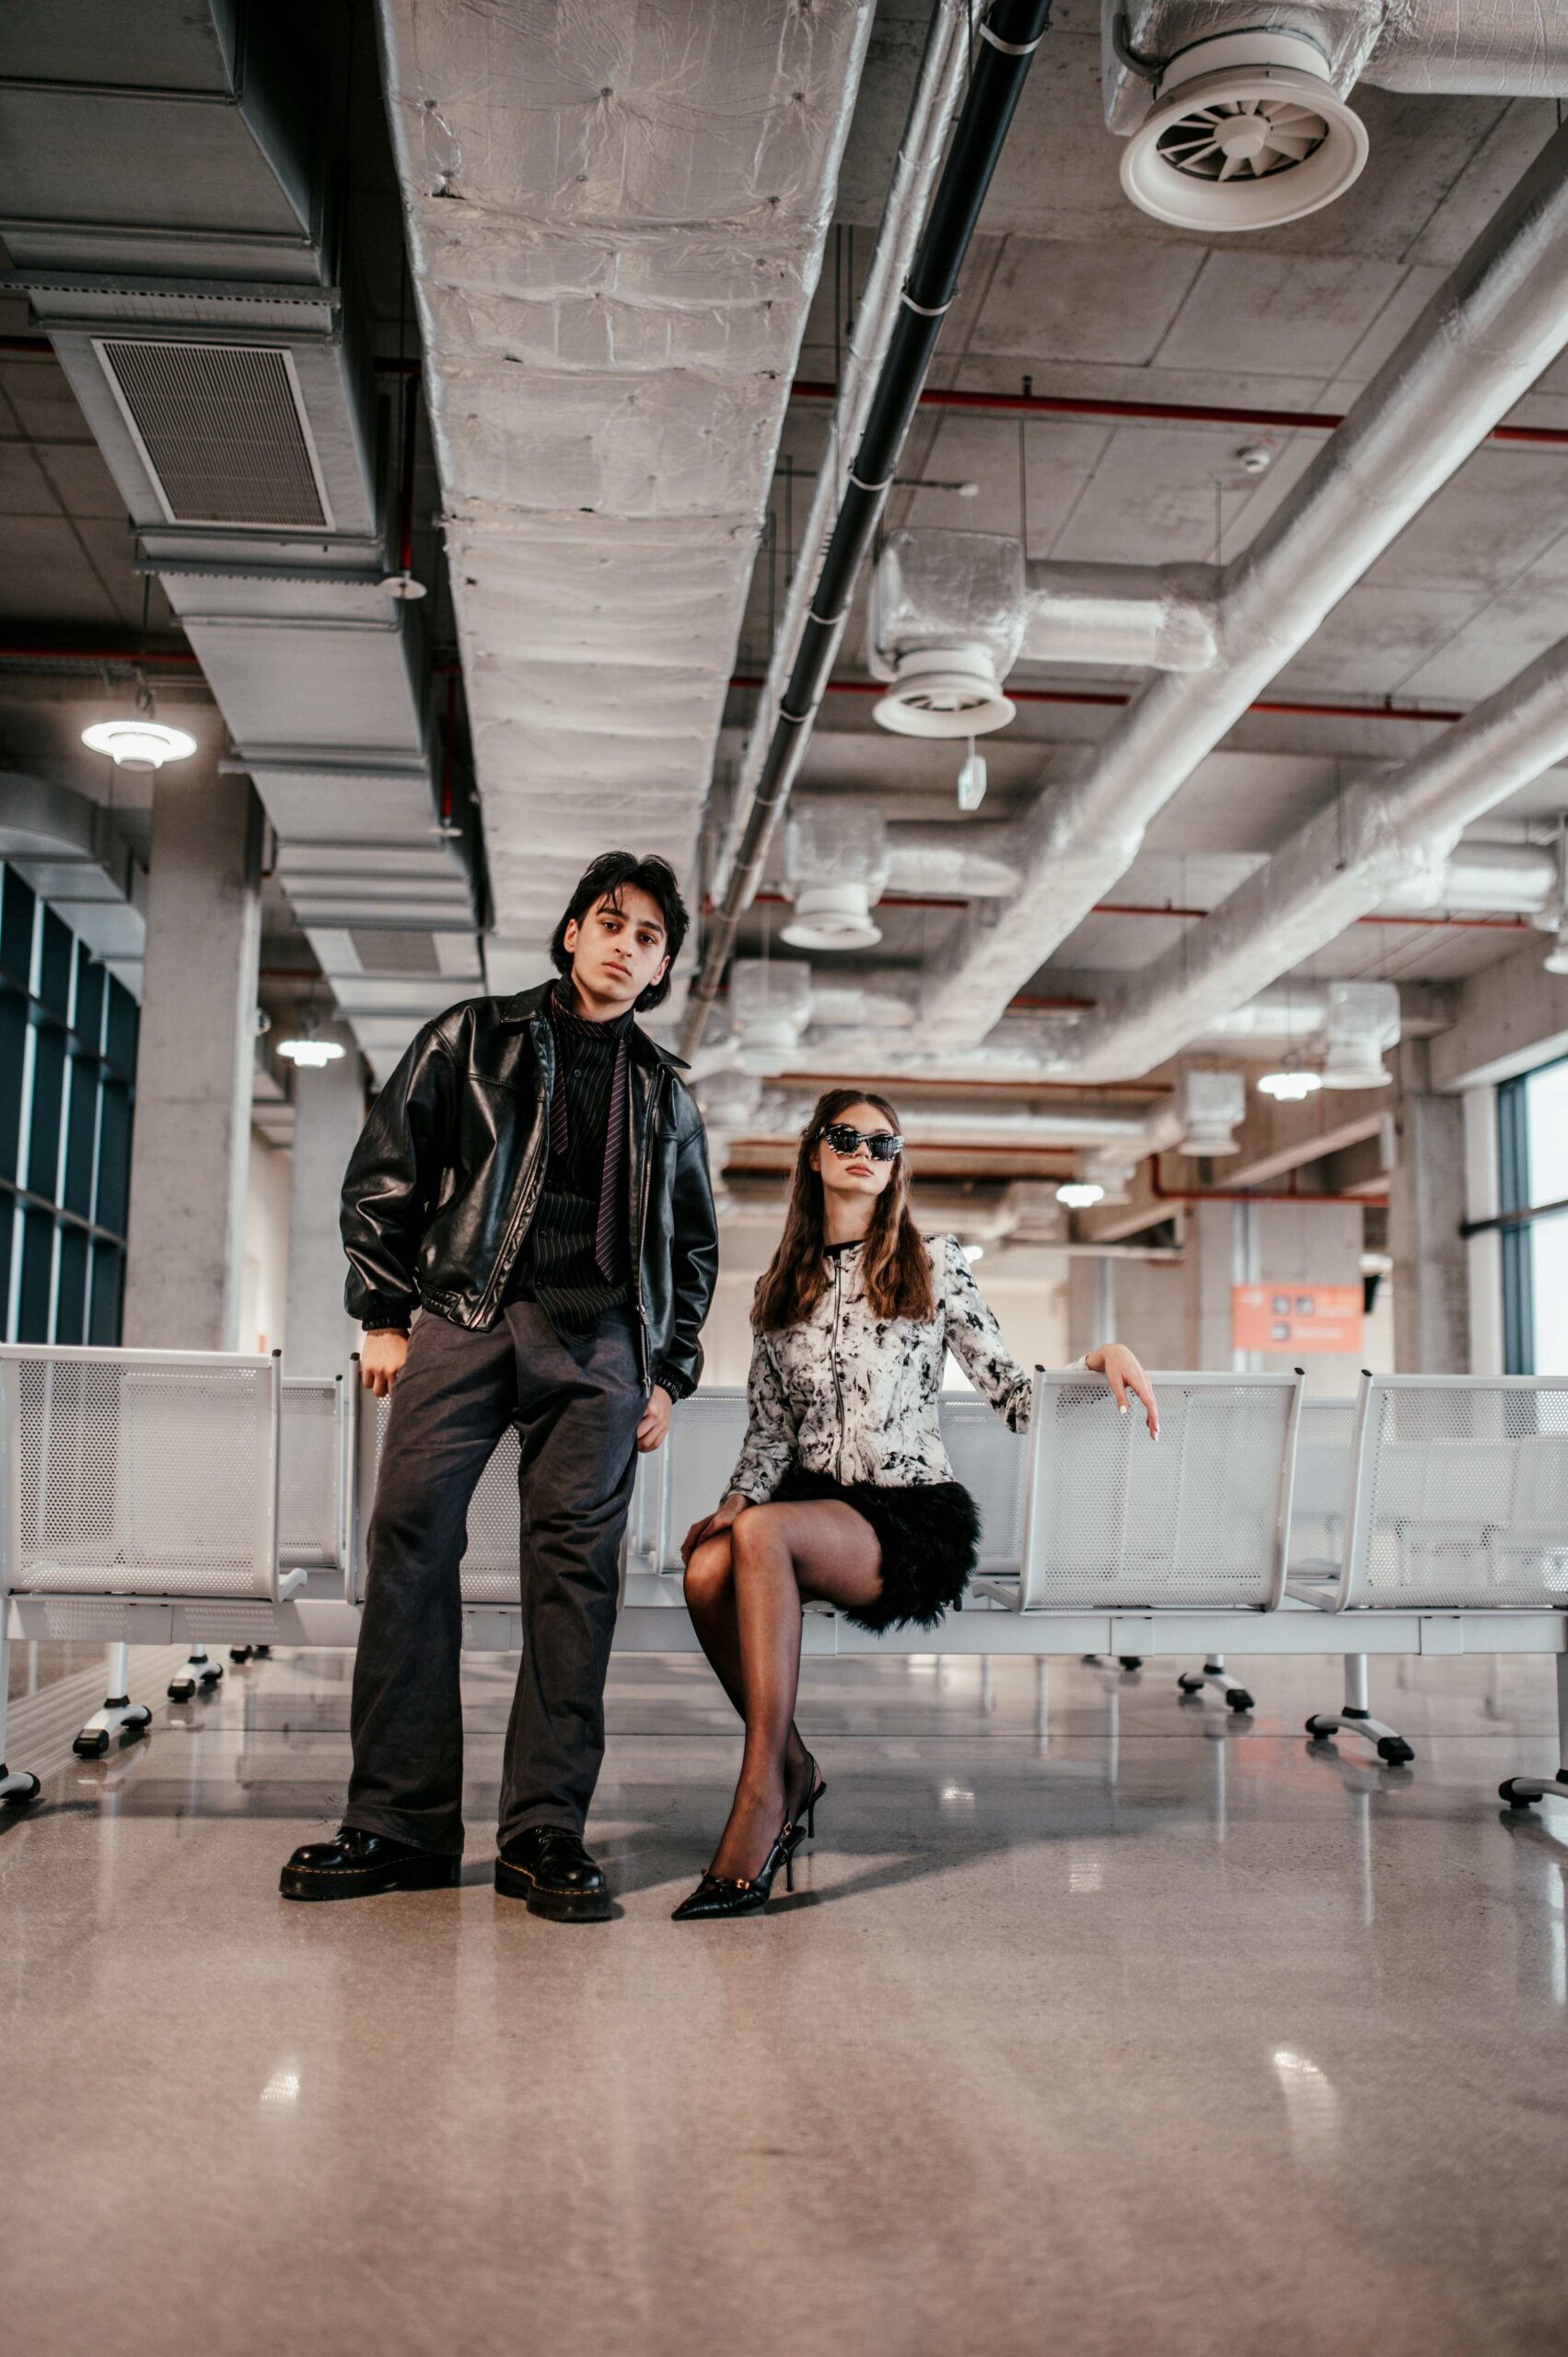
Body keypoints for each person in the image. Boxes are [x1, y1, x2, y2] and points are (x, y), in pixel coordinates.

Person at [280, 852, 718, 1920]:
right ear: (571, 932)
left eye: (648, 938)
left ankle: (542, 1831)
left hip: (602, 1343)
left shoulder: (665, 1094)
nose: (625, 945)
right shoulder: (472, 1037)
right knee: (410, 1536)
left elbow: (692, 1248)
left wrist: (667, 1371)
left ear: (661, 969)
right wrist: (383, 1313)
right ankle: (399, 1822)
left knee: (576, 1576)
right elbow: (384, 1170)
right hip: (466, 1312)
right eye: (610, 922)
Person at [673, 1086, 1157, 1921]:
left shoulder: (930, 1261)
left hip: (907, 1517)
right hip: (808, 1508)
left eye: (883, 1144)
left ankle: (761, 1795)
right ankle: (793, 1765)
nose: (865, 1153)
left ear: (896, 1165)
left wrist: (1096, 1356)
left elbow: (1011, 1394)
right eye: (846, 1137)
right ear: (814, 1155)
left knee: (760, 1535)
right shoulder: (778, 1289)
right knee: (706, 1568)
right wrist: (734, 1497)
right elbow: (771, 1431)